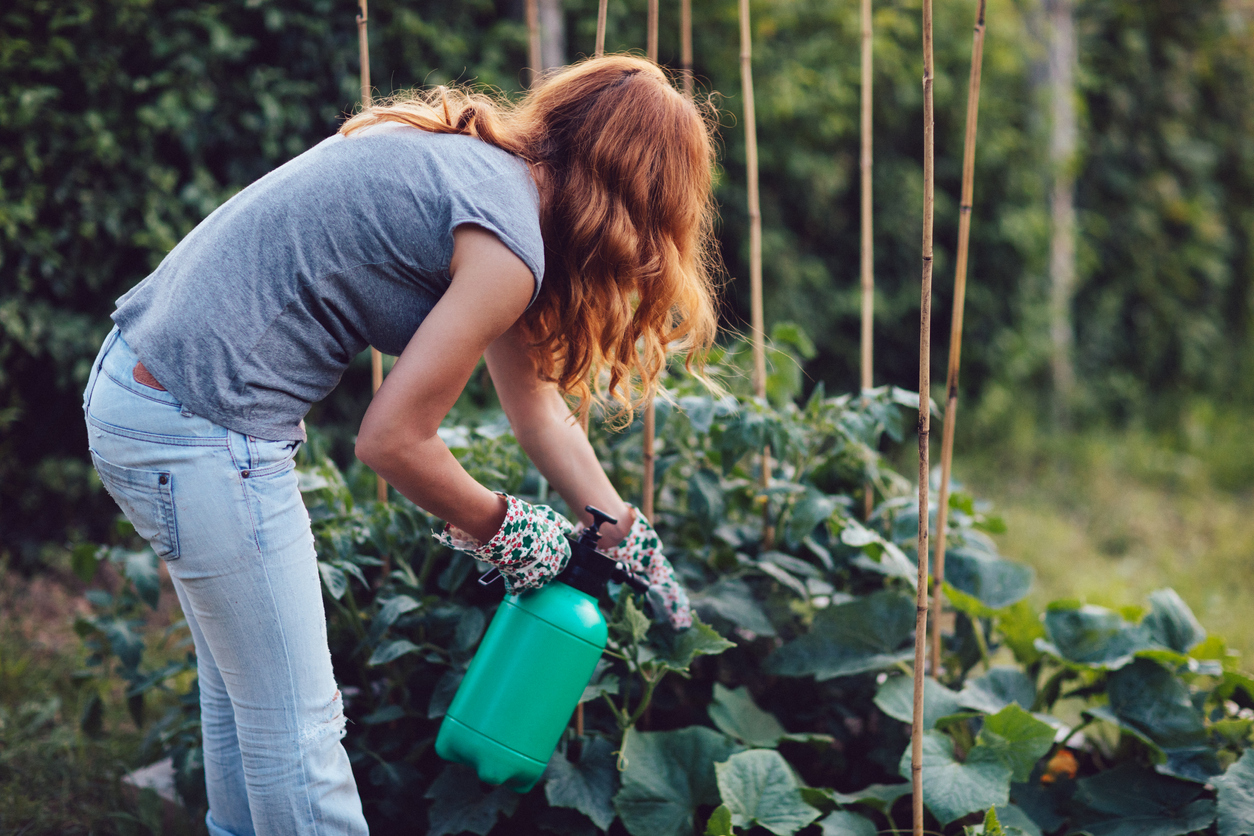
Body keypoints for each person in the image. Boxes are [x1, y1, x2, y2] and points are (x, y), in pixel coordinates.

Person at [81, 54, 720, 836]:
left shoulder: (486, 180)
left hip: (142, 392)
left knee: (247, 704)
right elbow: (391, 441)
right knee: (300, 732)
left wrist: (619, 526)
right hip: (199, 429)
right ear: (642, 206)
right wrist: (513, 531)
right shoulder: (507, 244)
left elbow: (536, 406)